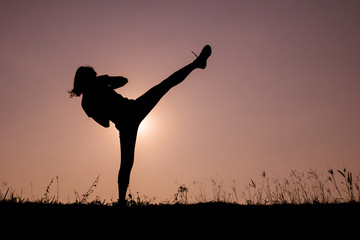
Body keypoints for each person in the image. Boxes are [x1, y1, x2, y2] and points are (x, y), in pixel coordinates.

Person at [69, 45, 212, 204]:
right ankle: (196, 64)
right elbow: (123, 82)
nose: (95, 78)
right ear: (88, 79)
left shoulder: (87, 101)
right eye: (93, 76)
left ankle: (122, 200)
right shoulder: (95, 92)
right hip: (133, 111)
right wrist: (104, 84)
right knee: (166, 84)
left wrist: (105, 91)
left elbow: (106, 122)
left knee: (126, 163)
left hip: (125, 123)